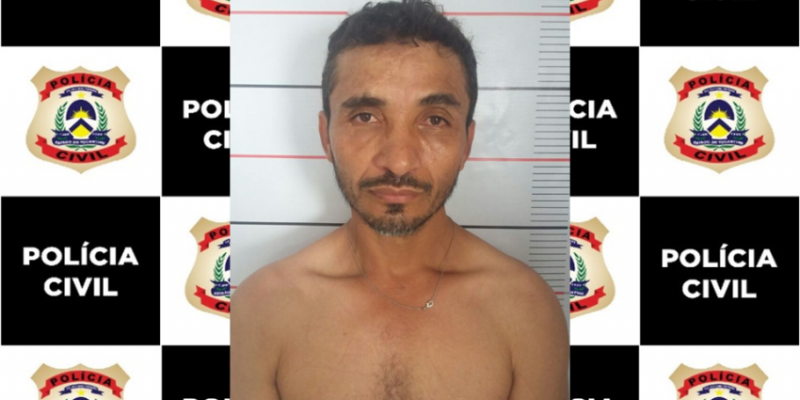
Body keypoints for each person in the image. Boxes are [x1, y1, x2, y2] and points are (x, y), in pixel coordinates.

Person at [231, 1, 568, 399]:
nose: (399, 160)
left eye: (435, 119)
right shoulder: (262, 309)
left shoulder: (526, 310)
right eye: (365, 117)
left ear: (466, 143)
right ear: (326, 137)